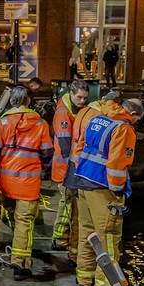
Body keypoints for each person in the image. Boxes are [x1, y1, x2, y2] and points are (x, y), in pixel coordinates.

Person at [72, 97, 143, 286]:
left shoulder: (97, 119)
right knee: (108, 239)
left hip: (83, 181)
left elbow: (79, 148)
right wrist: (118, 191)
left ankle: (84, 282)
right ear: (134, 114)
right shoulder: (123, 128)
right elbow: (117, 164)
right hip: (103, 188)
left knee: (86, 233)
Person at [0, 87, 53, 281]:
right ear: (28, 102)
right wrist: (45, 170)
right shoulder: (40, 124)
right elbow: (47, 153)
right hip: (28, 185)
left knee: (15, 218)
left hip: (5, 184)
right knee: (24, 223)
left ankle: (17, 249)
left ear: (11, 102)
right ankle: (20, 265)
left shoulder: (2, 123)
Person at [50, 80, 90, 252]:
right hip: (65, 168)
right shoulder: (63, 113)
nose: (82, 101)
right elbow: (66, 145)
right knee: (66, 203)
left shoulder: (70, 109)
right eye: (79, 97)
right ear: (71, 94)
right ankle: (59, 239)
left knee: (67, 202)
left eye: (84, 98)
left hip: (66, 166)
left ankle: (61, 238)